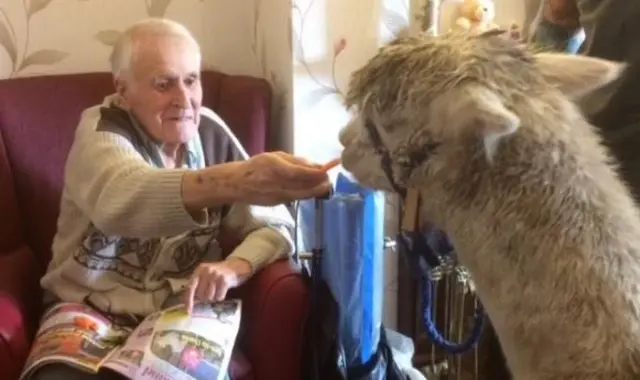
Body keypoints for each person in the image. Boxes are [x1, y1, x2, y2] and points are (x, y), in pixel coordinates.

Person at [27, 18, 330, 380]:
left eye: (191, 80)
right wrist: (240, 178)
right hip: (87, 307)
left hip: (176, 313)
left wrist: (233, 268)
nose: (184, 100)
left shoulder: (211, 132)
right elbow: (122, 200)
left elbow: (277, 226)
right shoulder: (101, 131)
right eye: (163, 84)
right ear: (123, 90)